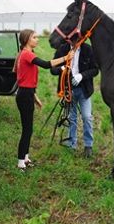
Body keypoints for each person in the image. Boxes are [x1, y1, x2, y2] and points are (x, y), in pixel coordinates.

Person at [14, 29, 73, 171]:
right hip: (24, 95)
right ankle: (21, 162)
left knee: (29, 129)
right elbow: (47, 64)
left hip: (27, 94)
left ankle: (26, 158)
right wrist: (66, 57)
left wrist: (34, 97)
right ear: (27, 39)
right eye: (34, 37)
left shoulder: (26, 54)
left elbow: (24, 79)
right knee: (27, 129)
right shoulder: (27, 54)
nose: (37, 39)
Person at [51, 42, 99, 157]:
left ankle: (88, 145)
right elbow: (52, 69)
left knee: (87, 117)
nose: (75, 41)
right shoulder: (62, 49)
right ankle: (72, 143)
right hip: (68, 89)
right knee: (71, 117)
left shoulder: (88, 49)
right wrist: (62, 68)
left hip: (84, 90)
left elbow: (95, 70)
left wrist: (81, 76)